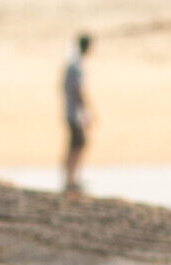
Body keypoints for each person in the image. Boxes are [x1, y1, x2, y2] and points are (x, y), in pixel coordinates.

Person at [60, 32, 92, 194]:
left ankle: (70, 178)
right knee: (77, 145)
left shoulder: (71, 64)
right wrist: (85, 111)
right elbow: (78, 90)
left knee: (75, 145)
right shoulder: (76, 66)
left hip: (70, 110)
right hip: (75, 113)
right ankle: (70, 179)